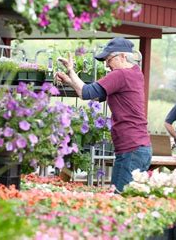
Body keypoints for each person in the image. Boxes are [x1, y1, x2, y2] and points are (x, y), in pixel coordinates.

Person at [55, 37, 152, 192]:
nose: (106, 64)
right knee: (133, 200)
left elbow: (85, 92)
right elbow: (91, 95)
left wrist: (71, 70)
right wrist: (69, 80)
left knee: (120, 200)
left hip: (131, 149)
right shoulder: (135, 73)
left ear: (123, 56)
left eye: (109, 59)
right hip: (140, 147)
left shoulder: (120, 75)